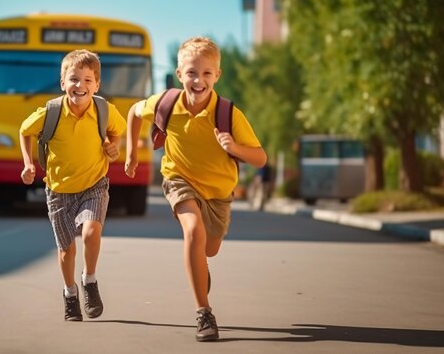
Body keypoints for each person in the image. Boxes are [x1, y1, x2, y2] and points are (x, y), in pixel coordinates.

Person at [124, 36, 267, 342]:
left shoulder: (228, 114)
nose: (198, 80)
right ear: (179, 75)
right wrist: (132, 152)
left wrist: (235, 147)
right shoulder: (166, 103)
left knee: (208, 250)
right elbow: (134, 112)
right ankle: (204, 312)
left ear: (217, 76)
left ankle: (199, 269)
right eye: (191, 72)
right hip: (179, 178)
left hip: (218, 193)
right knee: (193, 230)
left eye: (206, 73)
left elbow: (260, 158)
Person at [19, 49, 126, 321]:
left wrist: (114, 146)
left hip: (94, 184)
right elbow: (24, 131)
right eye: (74, 79)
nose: (81, 86)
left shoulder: (104, 110)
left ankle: (89, 280)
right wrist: (28, 163)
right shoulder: (51, 112)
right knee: (67, 249)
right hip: (58, 191)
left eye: (88, 80)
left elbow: (118, 130)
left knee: (91, 233)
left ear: (97, 85)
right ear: (63, 82)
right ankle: (70, 293)